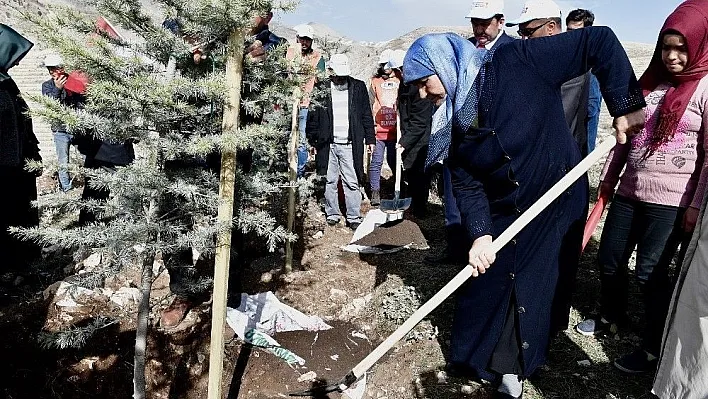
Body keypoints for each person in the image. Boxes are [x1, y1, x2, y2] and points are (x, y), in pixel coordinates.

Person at [403, 28, 645, 398]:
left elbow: (598, 42)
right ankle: (478, 358)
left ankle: (511, 372)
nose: (422, 94)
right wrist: (481, 232)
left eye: (424, 82)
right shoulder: (452, 122)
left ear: (445, 65)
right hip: (505, 206)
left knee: (531, 281)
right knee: (488, 278)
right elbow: (467, 185)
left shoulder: (518, 61)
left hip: (555, 197)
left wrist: (625, 104)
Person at [575, 0, 708, 375]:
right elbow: (626, 135)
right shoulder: (648, 82)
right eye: (666, 46)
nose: (672, 56)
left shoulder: (705, 88)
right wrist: (608, 179)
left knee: (649, 271)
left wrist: (695, 206)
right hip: (630, 191)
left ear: (699, 45)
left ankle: (655, 345)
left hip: (673, 201)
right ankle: (611, 315)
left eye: (681, 47)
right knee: (609, 259)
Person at [426, 0, 516, 266]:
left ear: (500, 21)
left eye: (484, 23)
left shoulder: (513, 52)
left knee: (487, 197)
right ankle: (456, 248)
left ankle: (490, 251)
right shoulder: (463, 50)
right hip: (460, 136)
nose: (479, 28)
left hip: (495, 139)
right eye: (475, 23)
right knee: (455, 194)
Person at [306, 54, 375, 231]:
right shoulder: (321, 88)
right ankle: (333, 213)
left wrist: (370, 138)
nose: (340, 78)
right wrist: (312, 139)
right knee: (330, 180)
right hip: (328, 144)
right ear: (331, 72)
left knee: (351, 181)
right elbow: (312, 116)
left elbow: (366, 114)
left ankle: (353, 215)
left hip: (350, 143)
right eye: (337, 74)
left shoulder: (358, 87)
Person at [0, 24, 42, 277]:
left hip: (19, 165)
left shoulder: (7, 83)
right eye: (13, 56)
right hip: (3, 168)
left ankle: (24, 264)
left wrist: (33, 153)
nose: (16, 64)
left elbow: (22, 120)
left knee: (21, 213)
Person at [390, 49, 434, 218]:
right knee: (411, 173)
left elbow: (420, 121)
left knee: (420, 175)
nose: (394, 75)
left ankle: (420, 211)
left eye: (395, 71)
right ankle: (414, 206)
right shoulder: (404, 85)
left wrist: (404, 142)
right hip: (409, 136)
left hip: (422, 139)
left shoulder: (419, 86)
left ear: (401, 69)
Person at [287, 24, 326, 178]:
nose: (304, 42)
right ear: (297, 38)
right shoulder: (288, 53)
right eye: (302, 39)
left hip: (305, 105)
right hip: (287, 103)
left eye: (307, 40)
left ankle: (300, 174)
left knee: (301, 140)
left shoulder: (317, 57)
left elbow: (321, 81)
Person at [41, 54, 81, 192]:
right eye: (49, 69)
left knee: (88, 157)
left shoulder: (74, 82)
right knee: (63, 161)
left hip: (76, 127)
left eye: (54, 68)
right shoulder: (47, 85)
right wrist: (58, 88)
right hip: (60, 130)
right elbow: (50, 104)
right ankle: (66, 188)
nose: (52, 72)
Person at [566, 9, 602, 153]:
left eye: (577, 31)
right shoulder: (564, 56)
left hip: (580, 137)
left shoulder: (592, 62)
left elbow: (591, 107)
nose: (572, 36)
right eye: (569, 30)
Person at [368, 50, 400, 206]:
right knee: (376, 161)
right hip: (378, 129)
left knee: (395, 161)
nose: (385, 68)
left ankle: (399, 187)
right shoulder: (375, 81)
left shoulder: (401, 80)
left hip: (397, 130)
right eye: (383, 65)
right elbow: (369, 103)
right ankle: (375, 191)